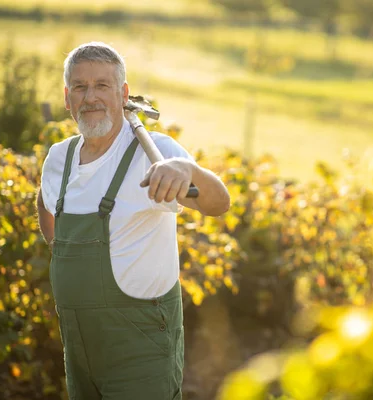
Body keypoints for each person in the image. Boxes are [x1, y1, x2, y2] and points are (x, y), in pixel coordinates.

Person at [36, 41, 230, 400]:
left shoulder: (156, 154)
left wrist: (189, 170)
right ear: (67, 98)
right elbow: (47, 205)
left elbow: (219, 203)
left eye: (102, 85)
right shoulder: (58, 158)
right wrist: (61, 255)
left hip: (140, 346)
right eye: (80, 86)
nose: (90, 97)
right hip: (79, 347)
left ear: (123, 94)